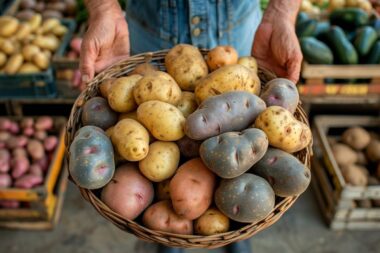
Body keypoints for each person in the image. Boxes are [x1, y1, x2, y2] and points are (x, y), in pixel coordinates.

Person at [80, 1, 302, 253]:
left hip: (239, 39)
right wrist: (103, 9)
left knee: (241, 192)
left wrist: (282, 13)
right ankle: (171, 235)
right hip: (148, 34)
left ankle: (238, 224)